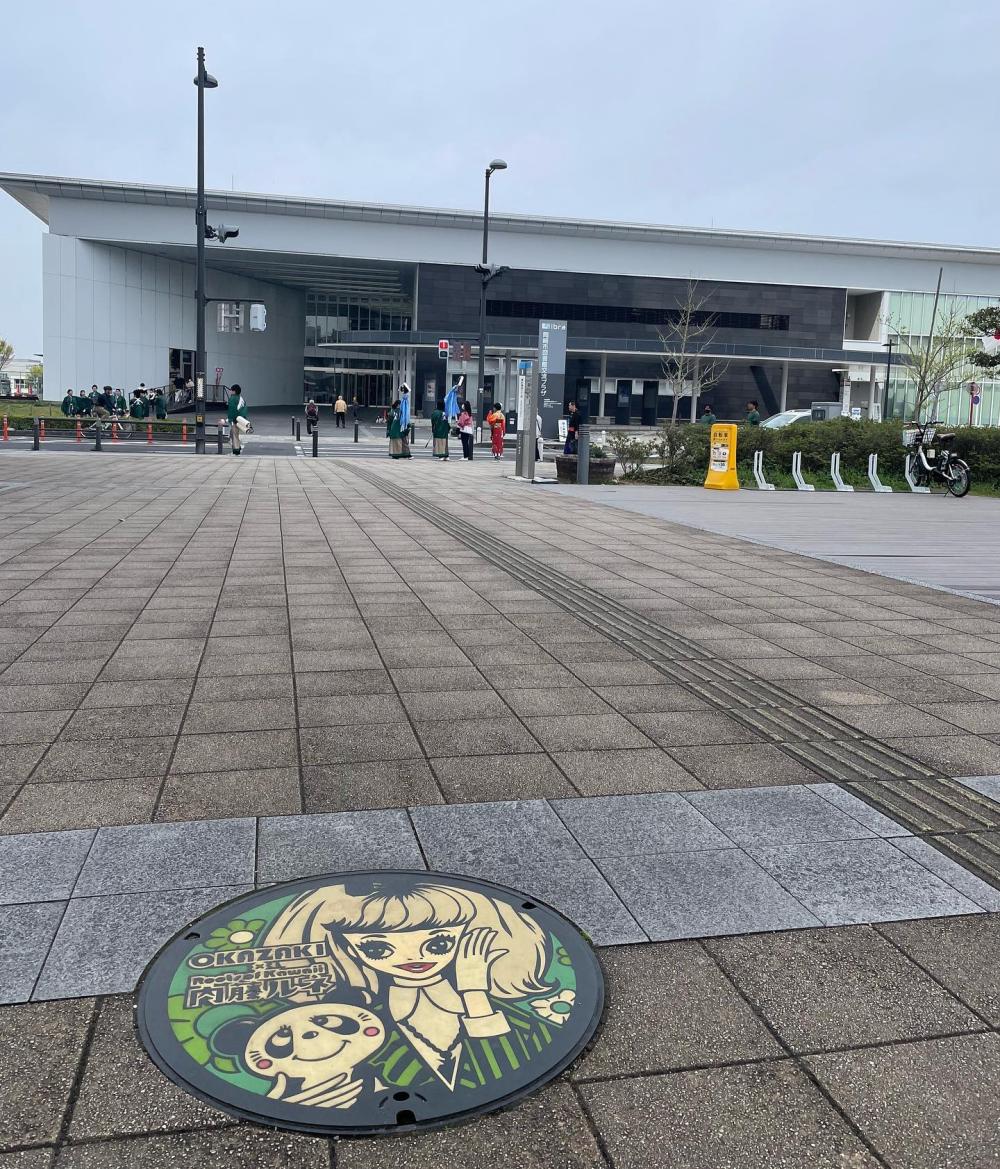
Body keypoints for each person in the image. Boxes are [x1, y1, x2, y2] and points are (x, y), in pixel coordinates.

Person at [228, 383, 249, 455]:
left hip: (235, 419)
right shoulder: (241, 399)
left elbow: (232, 410)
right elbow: (244, 409)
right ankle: (238, 446)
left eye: (231, 390)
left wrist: (229, 419)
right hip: (242, 419)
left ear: (234, 391)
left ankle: (236, 449)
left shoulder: (232, 399)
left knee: (234, 434)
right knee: (235, 433)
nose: (230, 391)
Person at [398, 384, 412, 458]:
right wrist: (406, 423)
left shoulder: (404, 400)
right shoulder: (405, 400)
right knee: (405, 439)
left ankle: (403, 453)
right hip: (404, 422)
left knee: (404, 439)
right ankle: (407, 454)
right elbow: (405, 413)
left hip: (403, 422)